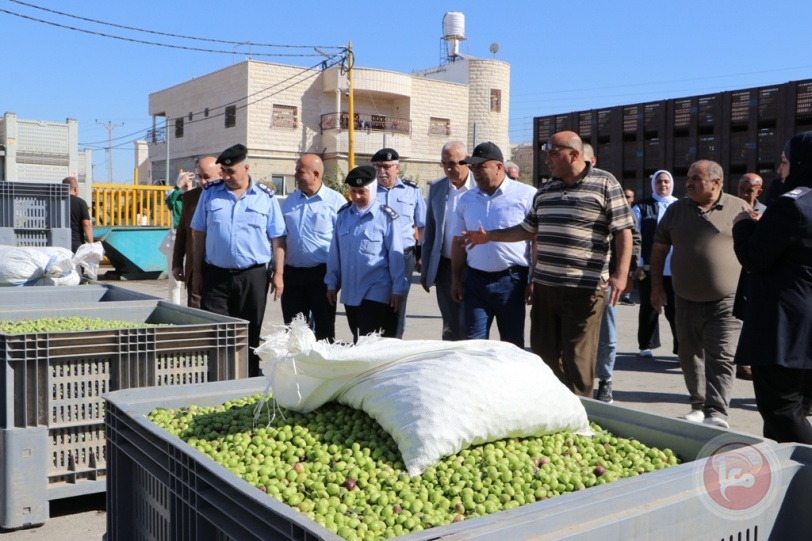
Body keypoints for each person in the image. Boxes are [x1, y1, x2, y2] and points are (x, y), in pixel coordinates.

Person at [461, 132, 633, 397]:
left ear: (573, 154)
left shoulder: (605, 183)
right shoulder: (546, 191)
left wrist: (621, 275)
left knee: (578, 358)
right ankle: (555, 407)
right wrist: (490, 237)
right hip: (546, 287)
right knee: (543, 353)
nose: (547, 159)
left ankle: (580, 417)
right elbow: (527, 230)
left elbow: (623, 231)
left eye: (553, 152)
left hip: (584, 288)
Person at [650, 160, 749, 428]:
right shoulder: (676, 210)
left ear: (717, 182)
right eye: (688, 177)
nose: (689, 183)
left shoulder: (739, 208)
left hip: (727, 299)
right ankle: (698, 404)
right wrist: (656, 287)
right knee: (689, 352)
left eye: (697, 178)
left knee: (722, 354)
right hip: (684, 297)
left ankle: (717, 412)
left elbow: (754, 250)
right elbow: (659, 249)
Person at [732, 132, 812, 443]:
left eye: (784, 162)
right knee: (799, 404)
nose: (779, 171)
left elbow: (754, 257)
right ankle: (787, 480)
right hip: (803, 327)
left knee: (781, 408)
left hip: (784, 326)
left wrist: (743, 224)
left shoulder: (791, 205)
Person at [190, 144, 286, 377]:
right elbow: (198, 233)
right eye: (223, 171)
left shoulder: (265, 197)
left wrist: (279, 273)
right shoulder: (210, 193)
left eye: (231, 171)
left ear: (246, 167)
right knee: (217, 330)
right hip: (216, 275)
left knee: (250, 331)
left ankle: (249, 376)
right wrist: (197, 272)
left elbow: (278, 237)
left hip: (252, 276)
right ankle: (219, 377)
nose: (226, 177)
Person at [451, 142, 535, 348]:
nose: (476, 172)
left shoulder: (526, 195)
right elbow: (458, 241)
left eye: (481, 167)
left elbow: (535, 239)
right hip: (476, 281)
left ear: (499, 167)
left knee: (511, 345)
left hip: (512, 282)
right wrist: (455, 278)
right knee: (473, 345)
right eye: (473, 167)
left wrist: (534, 278)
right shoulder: (465, 200)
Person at [582, 146, 640, 404]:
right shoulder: (562, 190)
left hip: (604, 279)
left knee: (606, 333)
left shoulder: (607, 189)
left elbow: (630, 237)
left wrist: (623, 274)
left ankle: (605, 380)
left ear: (592, 161)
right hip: (572, 280)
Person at [325, 165, 408, 343]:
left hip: (377, 288)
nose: (357, 197)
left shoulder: (386, 217)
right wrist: (332, 283)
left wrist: (397, 289)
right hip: (351, 289)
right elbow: (335, 253)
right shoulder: (343, 215)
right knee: (357, 336)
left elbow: (396, 256)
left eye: (362, 192)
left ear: (372, 188)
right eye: (353, 191)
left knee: (365, 336)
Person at [280, 154, 346, 341]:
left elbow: (342, 243)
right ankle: (296, 368)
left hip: (322, 276)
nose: (295, 176)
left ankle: (323, 368)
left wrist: (337, 279)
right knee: (294, 331)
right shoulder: (290, 201)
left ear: (316, 174)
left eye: (299, 172)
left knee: (324, 331)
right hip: (292, 275)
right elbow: (282, 238)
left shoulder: (336, 202)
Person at [420, 141, 474, 341]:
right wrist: (426, 269)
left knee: (469, 322)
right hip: (445, 267)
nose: (448, 169)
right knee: (450, 323)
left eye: (452, 163)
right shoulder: (437, 188)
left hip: (473, 266)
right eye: (444, 164)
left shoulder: (479, 187)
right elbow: (431, 233)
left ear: (467, 160)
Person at [371, 148, 426, 339]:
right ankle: (374, 341)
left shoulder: (412, 190)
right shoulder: (369, 191)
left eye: (386, 167)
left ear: (397, 167)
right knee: (375, 300)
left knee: (398, 300)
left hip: (404, 255)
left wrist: (421, 256)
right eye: (377, 167)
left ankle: (395, 341)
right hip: (376, 256)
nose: (381, 171)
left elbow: (421, 225)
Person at [633, 170, 679, 359]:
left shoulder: (680, 205)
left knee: (675, 309)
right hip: (649, 267)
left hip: (675, 268)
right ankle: (646, 344)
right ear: (653, 184)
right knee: (649, 306)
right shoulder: (641, 207)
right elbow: (634, 235)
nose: (663, 185)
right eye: (659, 182)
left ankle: (681, 346)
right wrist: (638, 263)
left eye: (666, 181)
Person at [172, 156, 220, 308]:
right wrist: (177, 264)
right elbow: (182, 233)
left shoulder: (229, 198)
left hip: (220, 268)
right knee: (196, 310)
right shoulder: (190, 198)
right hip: (195, 267)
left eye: (207, 177)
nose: (203, 182)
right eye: (200, 177)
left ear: (221, 174)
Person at [164, 172, 193, 304]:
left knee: (193, 276)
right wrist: (179, 185)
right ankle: (176, 306)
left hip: (193, 239)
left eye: (190, 180)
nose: (187, 183)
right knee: (175, 281)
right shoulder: (175, 197)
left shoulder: (196, 196)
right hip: (176, 239)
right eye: (185, 180)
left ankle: (192, 306)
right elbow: (169, 200)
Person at [62, 176, 93, 254]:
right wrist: (91, 244)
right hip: (76, 245)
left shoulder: (56, 202)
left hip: (58, 243)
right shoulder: (81, 203)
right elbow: (86, 225)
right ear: (75, 188)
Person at [618, 188, 637, 306]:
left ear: (633, 199)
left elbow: (636, 238)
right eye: (624, 196)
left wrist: (635, 258)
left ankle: (626, 296)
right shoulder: (616, 211)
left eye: (628, 197)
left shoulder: (633, 213)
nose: (625, 199)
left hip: (628, 255)